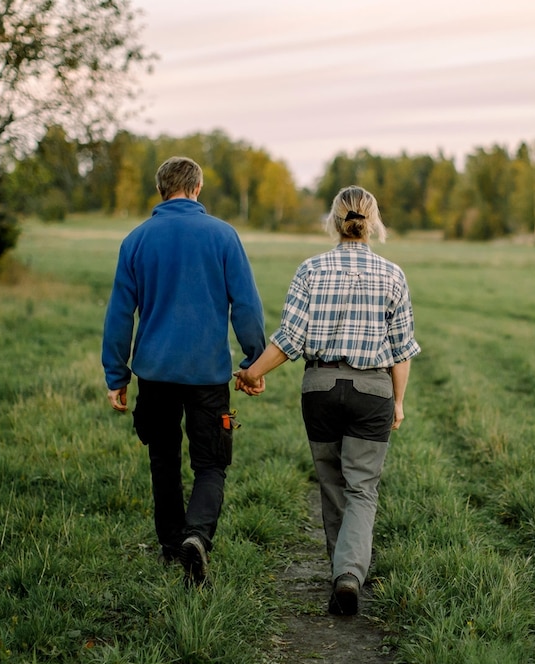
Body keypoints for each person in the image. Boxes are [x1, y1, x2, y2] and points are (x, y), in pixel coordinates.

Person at [234, 185, 421, 615]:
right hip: (372, 389)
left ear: (334, 221)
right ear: (372, 223)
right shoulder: (392, 275)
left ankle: (342, 575)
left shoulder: (311, 270)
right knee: (363, 488)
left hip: (318, 388)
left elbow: (289, 339)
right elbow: (401, 350)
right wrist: (398, 401)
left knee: (332, 484)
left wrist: (251, 374)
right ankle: (349, 575)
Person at [102, 156, 266, 587]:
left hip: (154, 373)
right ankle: (197, 537)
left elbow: (120, 315)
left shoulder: (136, 240)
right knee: (211, 463)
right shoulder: (223, 235)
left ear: (162, 190)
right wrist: (254, 360)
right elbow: (246, 305)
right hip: (207, 376)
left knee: (163, 459)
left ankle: (173, 545)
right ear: (197, 188)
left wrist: (115, 376)